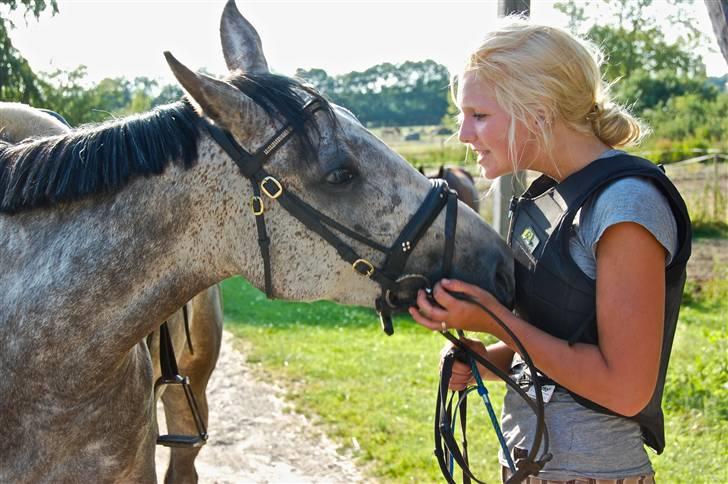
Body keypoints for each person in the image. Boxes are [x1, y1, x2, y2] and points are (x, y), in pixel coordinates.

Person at [409, 19, 691, 484]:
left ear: (536, 112)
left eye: (479, 115)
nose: (463, 134)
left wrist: (497, 319)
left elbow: (624, 389)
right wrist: (487, 356)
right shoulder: (552, 196)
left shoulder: (625, 207)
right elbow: (559, 348)